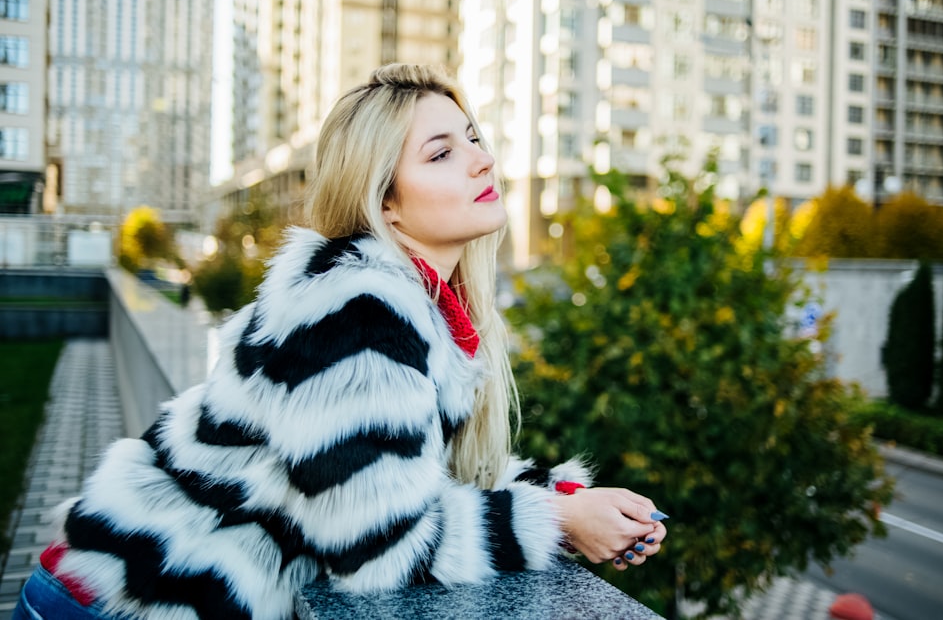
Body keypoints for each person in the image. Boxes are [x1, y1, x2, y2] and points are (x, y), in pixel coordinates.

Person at [13, 63, 667, 620]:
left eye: (472, 138)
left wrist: (571, 503)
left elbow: (409, 475)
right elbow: (379, 548)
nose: (483, 159)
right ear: (386, 203)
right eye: (442, 153)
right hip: (111, 602)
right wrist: (557, 524)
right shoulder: (354, 311)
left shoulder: (416, 308)